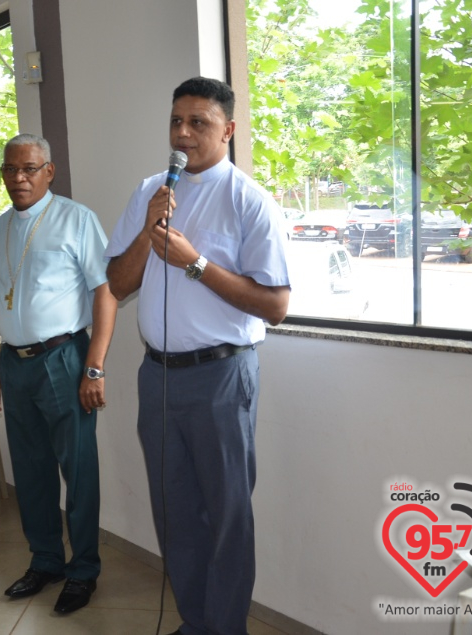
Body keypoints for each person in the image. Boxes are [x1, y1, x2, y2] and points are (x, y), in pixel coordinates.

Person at [105, 77, 291, 635]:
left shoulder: (249, 201)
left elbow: (276, 305)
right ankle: (195, 622)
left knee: (226, 515)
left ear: (228, 130)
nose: (183, 134)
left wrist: (195, 262)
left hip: (221, 377)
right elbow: (116, 282)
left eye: (199, 123)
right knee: (176, 513)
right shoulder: (148, 191)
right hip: (158, 375)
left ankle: (226, 628)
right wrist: (147, 231)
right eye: (176, 122)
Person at [0, 134, 117, 614]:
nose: (19, 178)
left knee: (78, 472)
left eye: (29, 169)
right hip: (13, 364)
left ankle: (83, 570)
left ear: (48, 171)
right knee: (30, 472)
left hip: (64, 358)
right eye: (11, 170)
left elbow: (106, 293)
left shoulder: (76, 219)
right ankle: (46, 560)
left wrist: (94, 366)